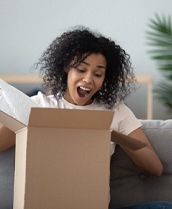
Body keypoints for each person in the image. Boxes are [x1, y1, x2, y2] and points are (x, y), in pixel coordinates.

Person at [0, 26, 165, 208]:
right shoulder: (36, 106)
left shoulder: (116, 111)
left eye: (98, 74)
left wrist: (113, 134)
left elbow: (155, 168)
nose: (88, 79)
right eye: (80, 69)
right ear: (66, 68)